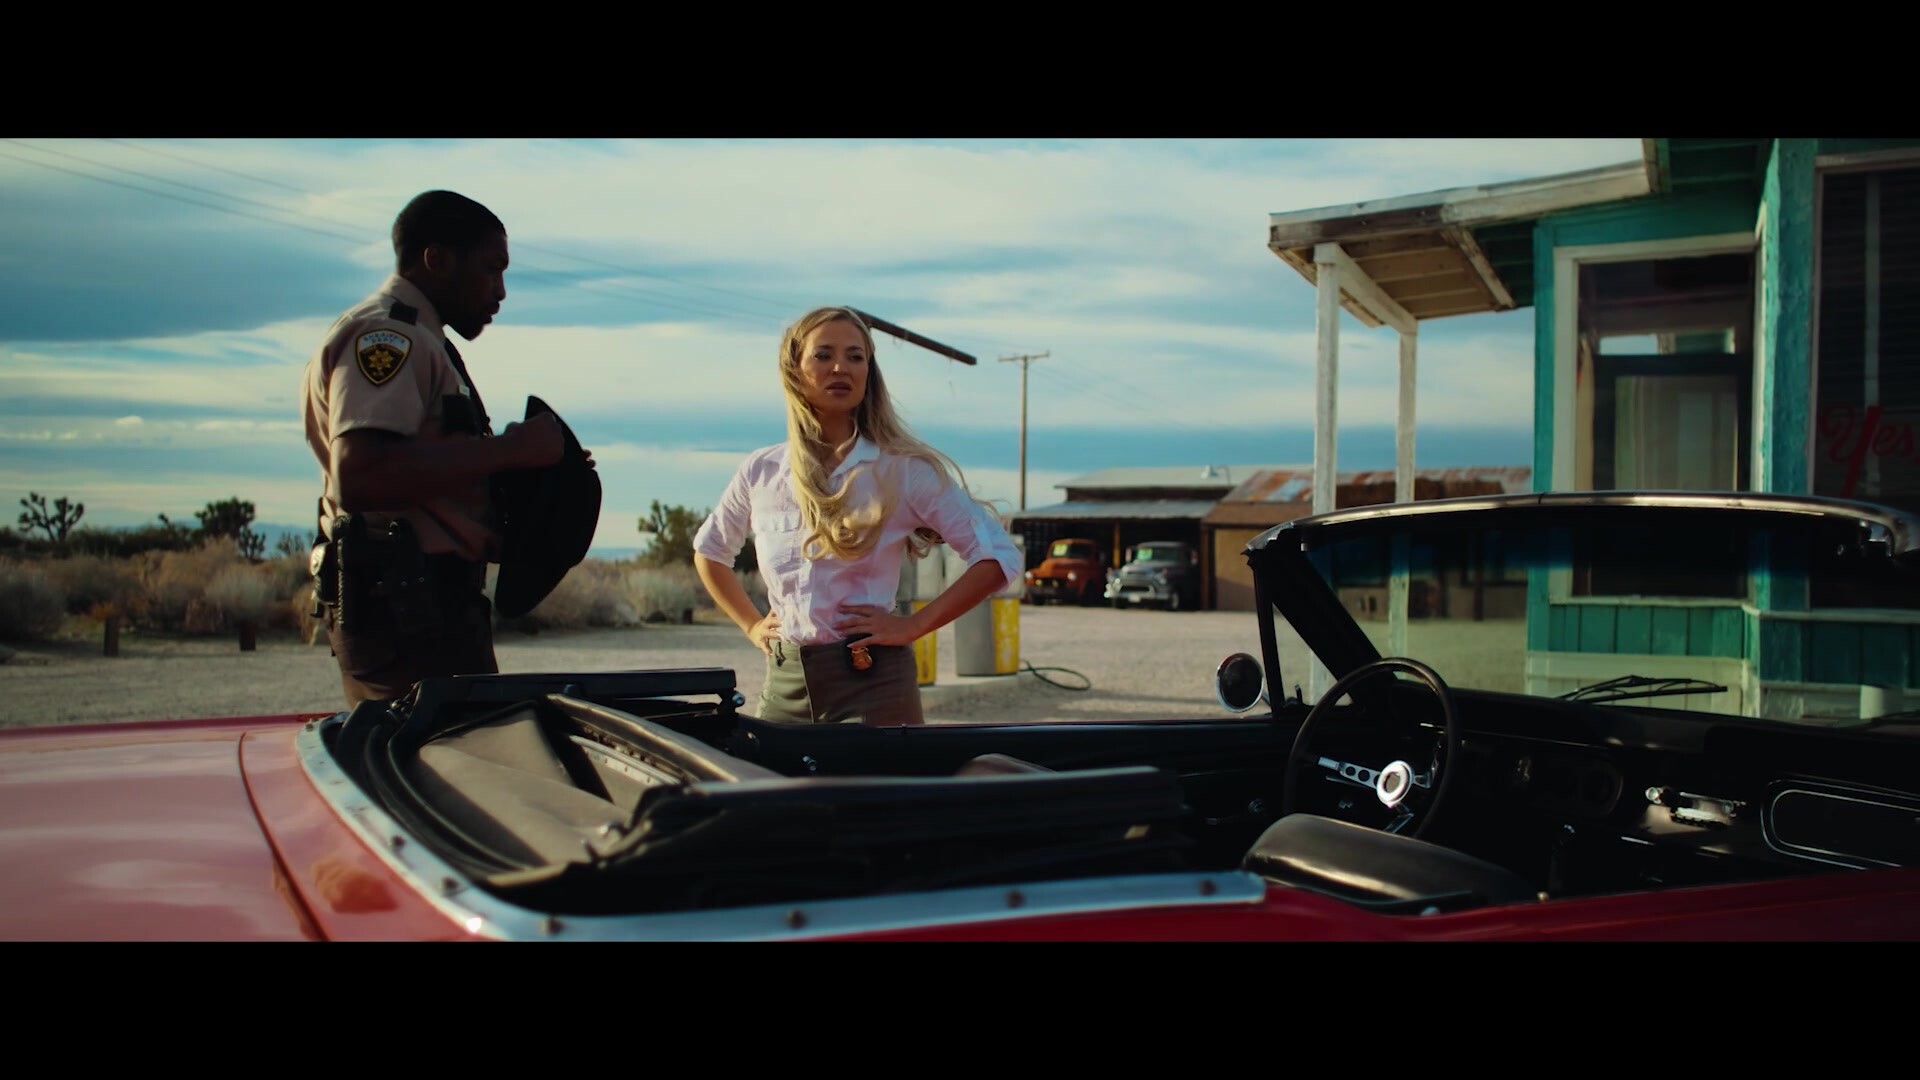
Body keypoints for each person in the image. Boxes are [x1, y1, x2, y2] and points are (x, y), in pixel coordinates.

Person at [692, 306, 1022, 726]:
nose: (840, 367)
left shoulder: (901, 470)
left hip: (873, 686)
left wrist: (913, 626)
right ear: (794, 369)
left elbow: (998, 557)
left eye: (855, 356)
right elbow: (710, 552)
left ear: (869, 372)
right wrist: (752, 625)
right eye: (823, 354)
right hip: (784, 684)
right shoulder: (762, 471)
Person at [300, 189, 565, 708]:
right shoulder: (389, 335)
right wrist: (510, 450)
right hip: (407, 615)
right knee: (450, 756)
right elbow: (361, 476)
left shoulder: (421, 338)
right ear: (437, 260)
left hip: (424, 613)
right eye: (491, 269)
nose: (501, 291)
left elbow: (425, 478)